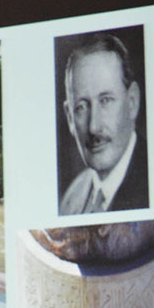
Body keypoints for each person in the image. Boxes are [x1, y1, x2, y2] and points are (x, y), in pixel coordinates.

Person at [58, 33, 148, 215]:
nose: (93, 127)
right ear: (70, 118)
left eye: (106, 100)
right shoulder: (71, 198)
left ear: (132, 102)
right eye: (81, 107)